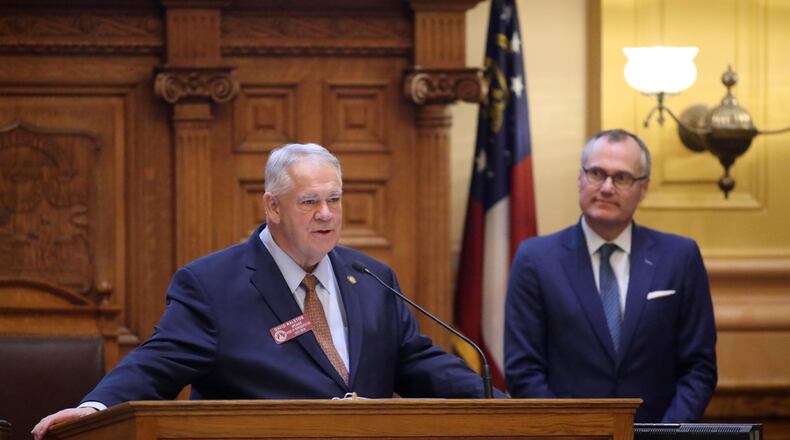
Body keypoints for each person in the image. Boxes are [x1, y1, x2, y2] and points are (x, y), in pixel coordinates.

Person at [33, 143, 497, 440]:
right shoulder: (212, 285)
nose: (327, 215)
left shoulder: (369, 274)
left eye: (334, 199)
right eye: (310, 202)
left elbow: (415, 360)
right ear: (272, 207)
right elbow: (158, 363)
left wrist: (502, 403)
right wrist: (94, 408)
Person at [504, 129, 717, 422]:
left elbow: (699, 367)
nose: (606, 187)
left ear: (643, 188)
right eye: (596, 173)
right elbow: (523, 371)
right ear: (580, 178)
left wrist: (667, 435)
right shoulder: (535, 260)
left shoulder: (679, 257)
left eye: (622, 178)